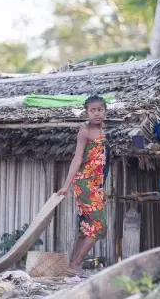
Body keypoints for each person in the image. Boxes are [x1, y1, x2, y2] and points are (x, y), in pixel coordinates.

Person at [57, 95, 110, 278]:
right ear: (87, 112)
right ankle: (75, 265)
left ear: (105, 111)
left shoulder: (104, 130)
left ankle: (73, 265)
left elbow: (102, 162)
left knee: (87, 225)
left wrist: (102, 188)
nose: (96, 113)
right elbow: (77, 159)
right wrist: (66, 185)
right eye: (92, 110)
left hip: (96, 185)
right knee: (99, 226)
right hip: (84, 183)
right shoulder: (85, 131)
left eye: (100, 109)